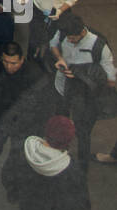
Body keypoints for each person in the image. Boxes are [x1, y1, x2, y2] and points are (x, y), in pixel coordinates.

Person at [49, 12, 117, 165]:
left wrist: (83, 75)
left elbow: (110, 77)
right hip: (62, 89)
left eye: (73, 39)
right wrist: (59, 58)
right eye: (68, 39)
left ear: (82, 32)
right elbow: (53, 45)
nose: (70, 41)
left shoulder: (98, 45)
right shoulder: (62, 33)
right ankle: (59, 154)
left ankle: (82, 163)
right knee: (60, 123)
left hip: (85, 97)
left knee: (83, 131)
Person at [0, 42, 48, 173]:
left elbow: (40, 104)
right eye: (5, 61)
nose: (9, 66)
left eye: (13, 63)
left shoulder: (35, 75)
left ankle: (14, 169)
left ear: (22, 59)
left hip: (23, 118)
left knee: (18, 148)